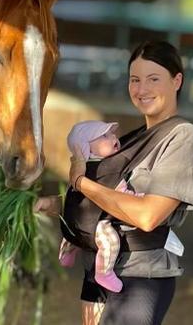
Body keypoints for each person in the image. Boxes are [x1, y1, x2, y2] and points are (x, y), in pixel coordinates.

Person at [36, 40, 193, 325]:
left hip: (139, 276)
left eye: (154, 79)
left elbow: (147, 215)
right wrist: (54, 204)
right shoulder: (129, 139)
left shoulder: (184, 138)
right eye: (135, 80)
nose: (142, 89)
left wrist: (80, 182)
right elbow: (100, 204)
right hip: (99, 271)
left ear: (177, 81)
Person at [59, 120, 131, 293]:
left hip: (75, 221)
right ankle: (104, 272)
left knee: (71, 229)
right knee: (111, 240)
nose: (114, 137)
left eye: (112, 133)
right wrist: (137, 198)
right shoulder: (111, 169)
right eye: (105, 136)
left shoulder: (78, 170)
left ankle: (67, 252)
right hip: (96, 223)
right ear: (85, 147)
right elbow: (122, 194)